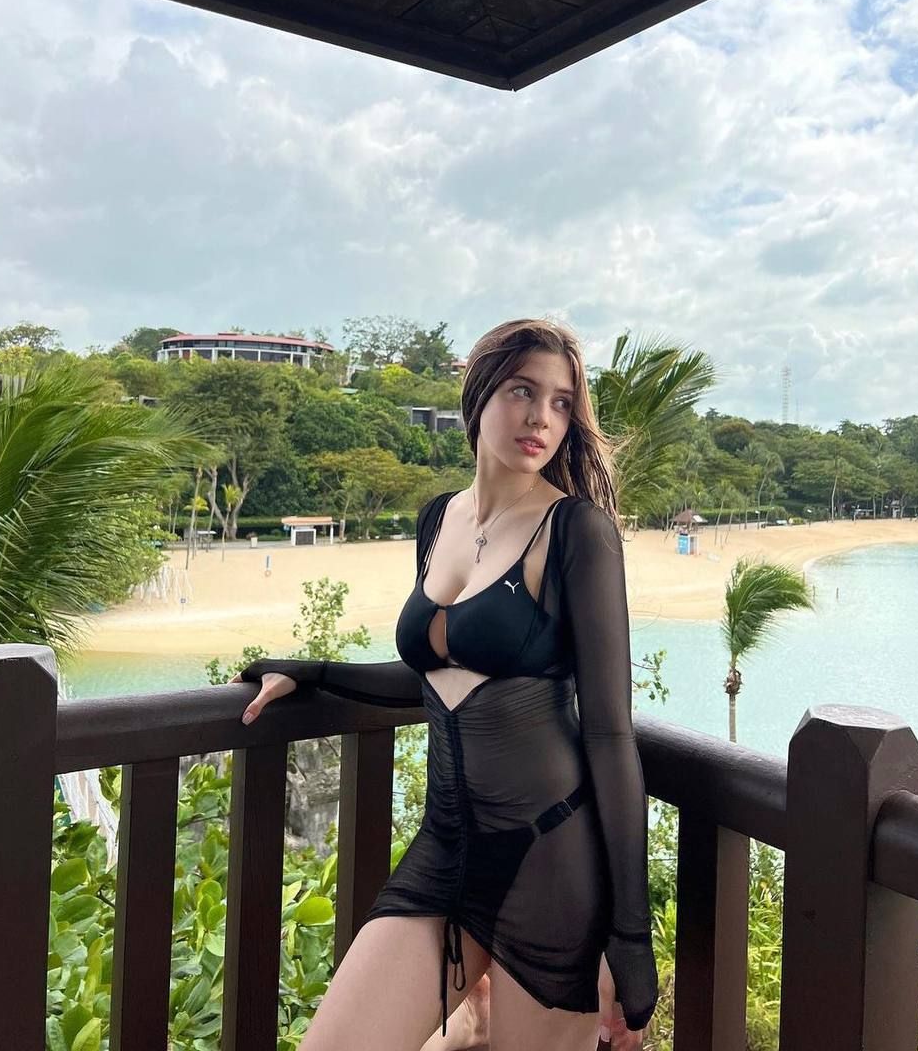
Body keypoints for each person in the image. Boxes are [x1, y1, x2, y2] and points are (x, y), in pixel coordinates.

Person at [232, 318, 659, 1050]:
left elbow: (611, 731)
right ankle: (472, 1018)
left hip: (552, 862)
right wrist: (314, 672)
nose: (541, 417)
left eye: (561, 402)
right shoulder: (439, 519)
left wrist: (631, 935)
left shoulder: (576, 531)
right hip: (446, 851)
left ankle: (476, 1019)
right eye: (522, 391)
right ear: (479, 393)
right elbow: (435, 677)